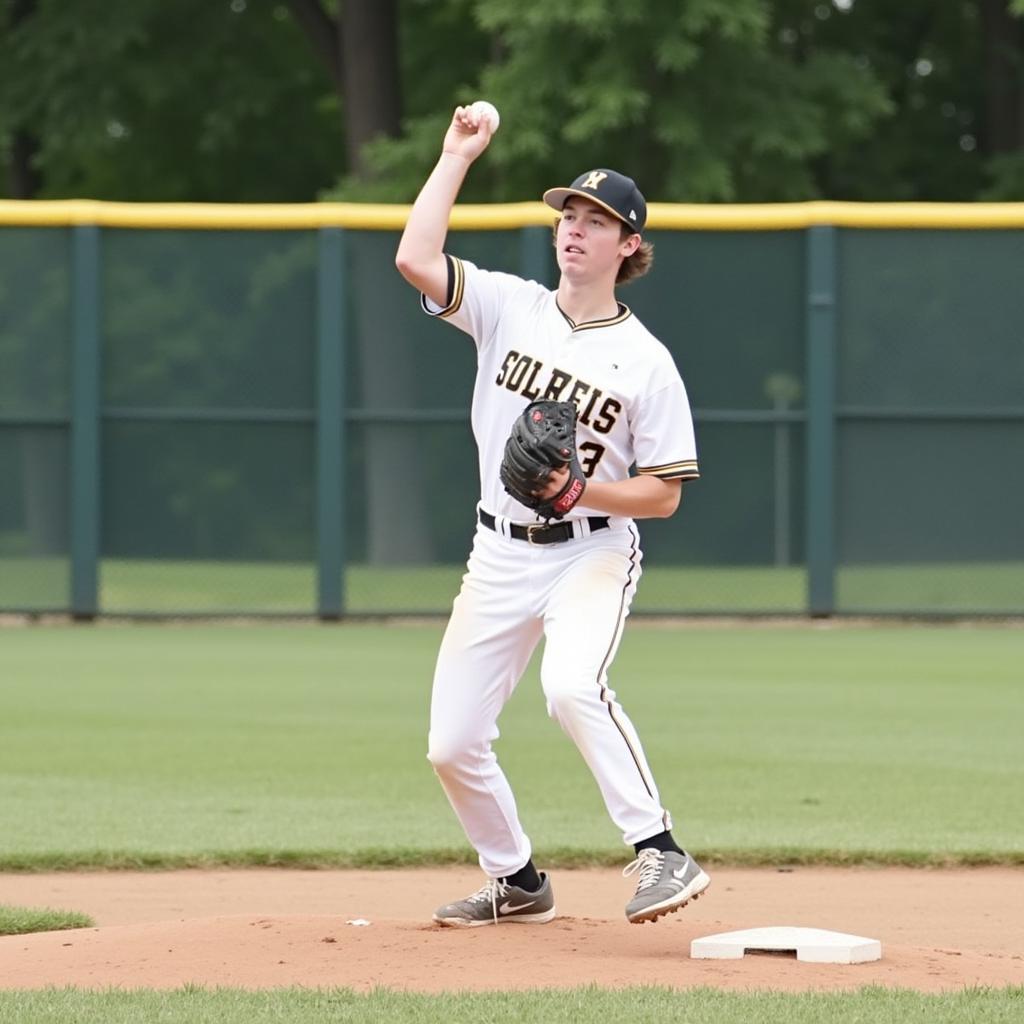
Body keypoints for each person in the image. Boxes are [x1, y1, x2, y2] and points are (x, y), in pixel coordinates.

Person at [395, 104, 709, 927]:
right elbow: (415, 257)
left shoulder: (646, 362)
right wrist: (455, 155)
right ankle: (518, 881)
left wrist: (581, 492)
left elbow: (666, 492)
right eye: (569, 213)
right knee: (451, 743)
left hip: (590, 552)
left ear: (629, 246)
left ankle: (661, 852)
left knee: (570, 687)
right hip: (496, 551)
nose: (575, 228)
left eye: (596, 220)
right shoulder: (510, 307)